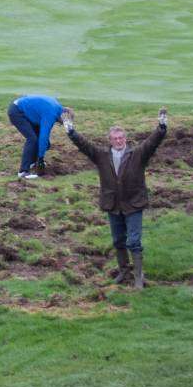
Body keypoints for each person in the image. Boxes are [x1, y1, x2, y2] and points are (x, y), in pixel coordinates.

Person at [64, 107, 169, 289]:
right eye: (115, 139)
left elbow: (152, 142)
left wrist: (161, 127)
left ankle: (138, 276)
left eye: (121, 138)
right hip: (113, 205)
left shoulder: (138, 154)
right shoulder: (101, 155)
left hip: (133, 204)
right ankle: (123, 271)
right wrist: (71, 131)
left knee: (134, 242)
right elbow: (84, 145)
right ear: (110, 141)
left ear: (125, 139)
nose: (118, 141)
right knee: (118, 241)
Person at [9, 94, 64, 178]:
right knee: (32, 139)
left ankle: (33, 163)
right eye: (61, 122)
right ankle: (23, 172)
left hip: (29, 113)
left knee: (45, 144)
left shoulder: (58, 109)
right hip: (17, 112)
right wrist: (41, 158)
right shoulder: (51, 114)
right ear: (62, 117)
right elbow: (44, 136)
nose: (60, 123)